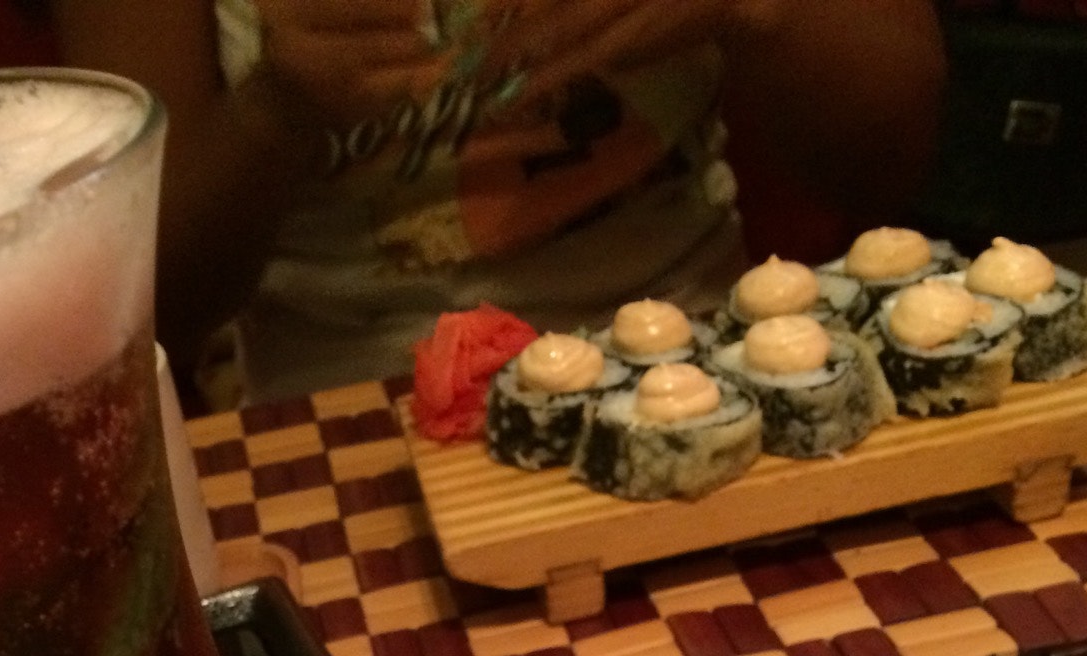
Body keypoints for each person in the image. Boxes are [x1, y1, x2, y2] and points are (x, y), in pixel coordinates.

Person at [51, 0, 946, 400]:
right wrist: (275, 112)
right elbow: (139, 315)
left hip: (700, 366)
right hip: (343, 416)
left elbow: (890, 164)